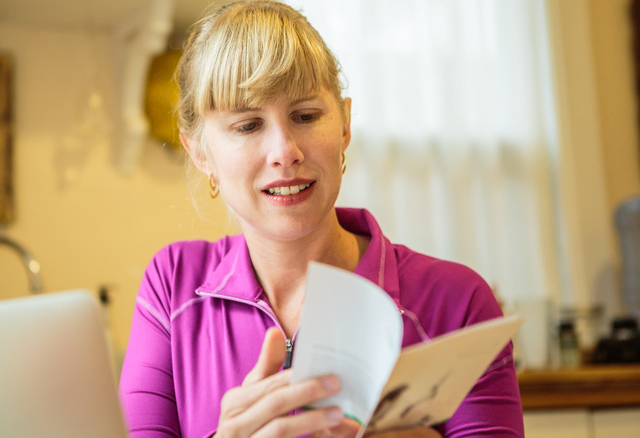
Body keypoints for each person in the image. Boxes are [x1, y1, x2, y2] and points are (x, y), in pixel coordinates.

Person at [119, 1, 524, 437]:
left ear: (345, 123)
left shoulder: (458, 304)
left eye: (306, 116)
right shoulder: (171, 285)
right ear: (199, 152)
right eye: (248, 126)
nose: (285, 151)